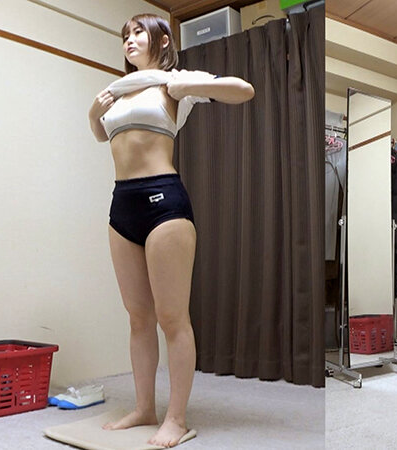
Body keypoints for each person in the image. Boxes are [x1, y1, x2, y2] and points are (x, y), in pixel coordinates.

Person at [87, 13, 254, 448]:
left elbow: (243, 90)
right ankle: (144, 407)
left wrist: (189, 85)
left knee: (172, 317)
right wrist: (94, 113)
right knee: (138, 318)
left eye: (138, 32)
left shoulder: (171, 83)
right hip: (122, 205)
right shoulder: (118, 92)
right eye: (125, 35)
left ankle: (175, 418)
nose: (129, 40)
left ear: (162, 40)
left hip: (164, 201)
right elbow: (102, 136)